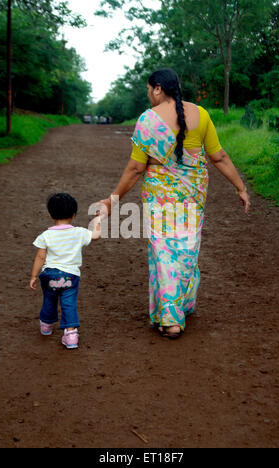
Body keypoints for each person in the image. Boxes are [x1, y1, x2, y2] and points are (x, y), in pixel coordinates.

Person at [96, 68, 251, 340]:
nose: (148, 94)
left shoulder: (147, 120)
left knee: (164, 251)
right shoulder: (201, 115)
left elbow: (135, 169)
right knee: (187, 248)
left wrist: (112, 200)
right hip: (193, 193)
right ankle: (183, 303)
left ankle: (170, 319)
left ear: (158, 88)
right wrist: (240, 187)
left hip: (160, 197)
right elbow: (219, 157)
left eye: (148, 89)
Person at [30, 193, 101, 349]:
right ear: (74, 215)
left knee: (49, 299)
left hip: (49, 275)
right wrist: (97, 219)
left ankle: (46, 326)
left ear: (50, 214)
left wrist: (34, 276)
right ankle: (71, 336)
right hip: (70, 277)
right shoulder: (80, 232)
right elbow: (96, 235)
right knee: (68, 304)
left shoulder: (45, 236)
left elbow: (40, 257)